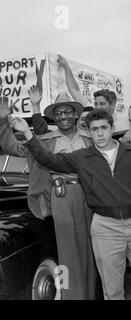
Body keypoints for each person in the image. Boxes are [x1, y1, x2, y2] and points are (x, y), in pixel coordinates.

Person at [13, 109, 131, 300]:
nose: (100, 133)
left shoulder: (128, 153)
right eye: (94, 129)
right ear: (89, 133)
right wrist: (27, 133)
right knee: (113, 289)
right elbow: (48, 159)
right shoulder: (82, 157)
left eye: (104, 128)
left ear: (112, 128)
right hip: (105, 226)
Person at [0, 90, 97, 300]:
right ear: (55, 117)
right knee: (67, 255)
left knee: (93, 252)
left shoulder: (91, 139)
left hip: (92, 201)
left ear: (76, 114)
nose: (63, 117)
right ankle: (71, 296)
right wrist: (3, 119)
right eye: (58, 113)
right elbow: (9, 146)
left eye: (67, 111)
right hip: (61, 198)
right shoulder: (44, 140)